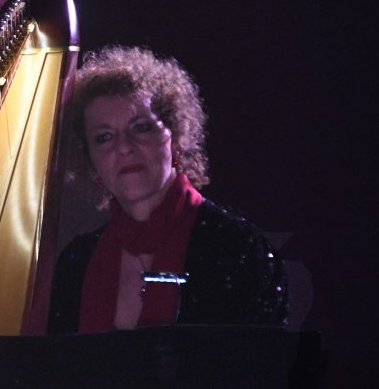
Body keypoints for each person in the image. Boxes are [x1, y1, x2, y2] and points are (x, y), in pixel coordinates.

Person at [47, 46, 288, 334]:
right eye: (104, 137)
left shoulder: (238, 249)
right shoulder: (76, 263)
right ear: (90, 162)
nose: (124, 147)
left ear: (175, 138)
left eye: (141, 127)